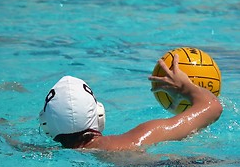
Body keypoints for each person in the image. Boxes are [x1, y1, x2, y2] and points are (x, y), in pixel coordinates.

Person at [39, 54, 223, 151]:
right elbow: (212, 107)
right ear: (98, 113)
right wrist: (186, 88)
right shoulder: (134, 140)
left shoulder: (43, 153)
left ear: (46, 124)